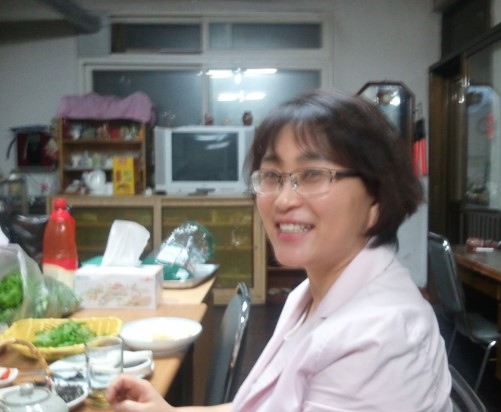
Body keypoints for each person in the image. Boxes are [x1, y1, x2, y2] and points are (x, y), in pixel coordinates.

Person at [107, 89, 452, 411]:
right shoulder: (312, 292)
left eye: (313, 174)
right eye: (272, 176)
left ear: (376, 198)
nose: (284, 200)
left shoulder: (380, 339)